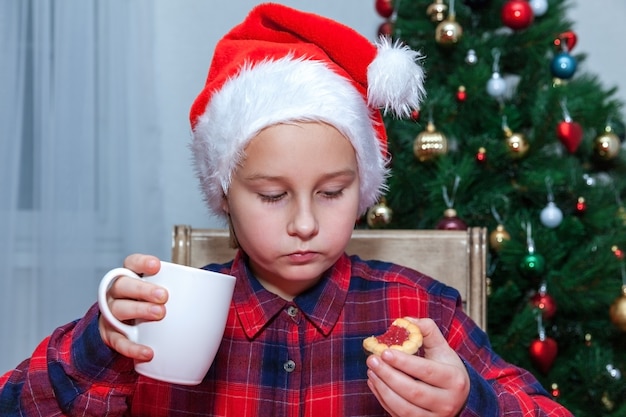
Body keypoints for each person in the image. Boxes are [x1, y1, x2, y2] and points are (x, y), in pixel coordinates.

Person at [0, 3, 573, 416]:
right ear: (223, 195)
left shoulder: (421, 310)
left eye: (331, 192)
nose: (304, 223)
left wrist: (470, 402)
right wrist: (100, 343)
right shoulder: (160, 318)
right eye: (272, 196)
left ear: (365, 188)